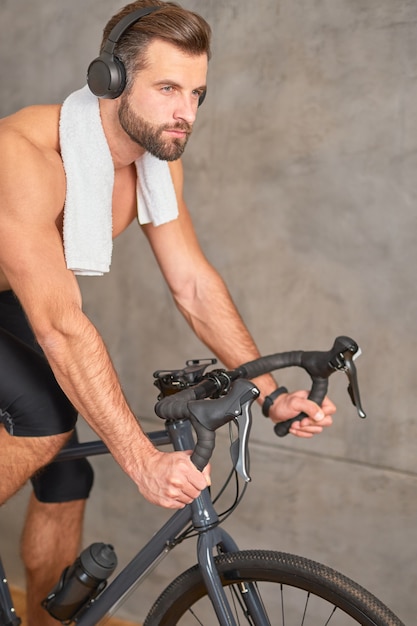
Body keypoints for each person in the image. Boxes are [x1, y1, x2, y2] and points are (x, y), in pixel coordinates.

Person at [0, 1, 336, 624]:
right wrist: (142, 461)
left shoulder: (154, 165)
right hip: (28, 305)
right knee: (44, 418)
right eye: (167, 88)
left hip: (7, 297)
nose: (186, 112)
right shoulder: (24, 154)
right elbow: (61, 325)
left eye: (197, 93)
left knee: (68, 479)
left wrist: (269, 393)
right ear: (111, 79)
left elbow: (194, 286)